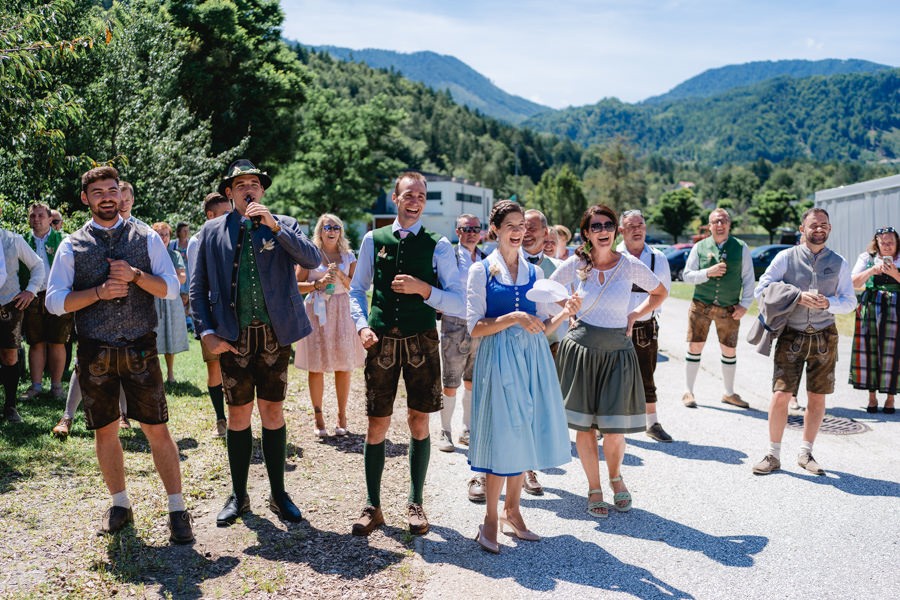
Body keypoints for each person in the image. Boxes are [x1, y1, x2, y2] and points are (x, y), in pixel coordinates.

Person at [45, 165, 194, 543]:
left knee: (157, 429)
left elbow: (171, 290)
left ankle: (177, 509)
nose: (107, 198)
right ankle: (120, 503)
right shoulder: (71, 245)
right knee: (105, 431)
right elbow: (53, 301)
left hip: (140, 348)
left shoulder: (145, 237)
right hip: (95, 351)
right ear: (86, 199)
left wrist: (136, 277)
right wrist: (97, 293)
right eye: (98, 193)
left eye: (112, 190)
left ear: (120, 193)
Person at [191, 159, 322, 527]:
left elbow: (313, 258)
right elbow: (197, 288)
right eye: (240, 184)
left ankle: (279, 494)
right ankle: (239, 494)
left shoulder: (284, 225)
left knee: (273, 413)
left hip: (274, 335)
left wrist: (276, 227)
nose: (248, 188)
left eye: (254, 183)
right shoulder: (212, 231)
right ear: (229, 192)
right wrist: (206, 332)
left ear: (262, 191)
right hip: (233, 338)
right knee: (237, 415)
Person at [348, 171, 465, 537]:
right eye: (408, 194)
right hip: (380, 341)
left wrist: (423, 289)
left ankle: (416, 502)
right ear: (396, 198)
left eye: (421, 196)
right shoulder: (373, 239)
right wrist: (362, 325)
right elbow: (357, 289)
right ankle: (373, 505)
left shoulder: (439, 244)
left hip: (422, 342)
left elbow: (459, 300)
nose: (415, 201)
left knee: (418, 420)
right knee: (376, 421)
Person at [466, 200, 575, 553]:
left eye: (522, 226)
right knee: (503, 436)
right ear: (495, 228)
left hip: (532, 358)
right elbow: (475, 328)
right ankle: (490, 521)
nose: (518, 231)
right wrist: (512, 317)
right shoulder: (481, 271)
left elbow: (542, 327)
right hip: (498, 358)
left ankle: (514, 511)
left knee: (524, 431)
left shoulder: (535, 273)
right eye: (510, 225)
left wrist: (565, 314)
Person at [551, 205, 667, 517]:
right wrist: (569, 309)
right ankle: (594, 487)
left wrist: (634, 314)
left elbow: (660, 292)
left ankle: (616, 478)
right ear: (586, 232)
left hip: (618, 351)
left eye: (608, 225)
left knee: (614, 428)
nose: (603, 231)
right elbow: (547, 288)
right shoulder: (577, 264)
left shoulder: (629, 265)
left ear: (615, 230)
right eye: (596, 226)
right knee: (585, 427)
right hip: (581, 350)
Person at [751, 208, 856, 476]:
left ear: (829, 229)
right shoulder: (785, 257)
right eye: (813, 225)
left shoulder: (840, 262)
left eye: (824, 225)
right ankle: (773, 455)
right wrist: (795, 296)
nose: (819, 229)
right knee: (780, 395)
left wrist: (829, 303)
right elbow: (760, 290)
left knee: (817, 397)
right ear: (802, 229)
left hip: (825, 336)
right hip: (791, 334)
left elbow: (850, 301)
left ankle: (805, 453)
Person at [293, 213, 365, 437]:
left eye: (336, 227)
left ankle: (342, 415)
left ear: (340, 231)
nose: (332, 230)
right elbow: (295, 286)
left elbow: (357, 287)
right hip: (316, 311)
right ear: (320, 231)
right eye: (327, 227)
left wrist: (341, 275)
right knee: (317, 365)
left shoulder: (349, 256)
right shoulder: (310, 255)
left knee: (343, 365)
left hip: (342, 311)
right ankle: (318, 416)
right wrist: (318, 283)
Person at [681, 208, 754, 409]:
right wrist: (708, 272)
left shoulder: (741, 247)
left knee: (729, 349)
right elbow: (687, 275)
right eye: (715, 222)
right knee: (695, 346)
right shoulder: (699, 247)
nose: (719, 225)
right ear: (710, 225)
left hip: (729, 307)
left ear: (729, 224)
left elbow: (748, 279)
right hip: (701, 305)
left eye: (723, 221)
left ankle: (729, 393)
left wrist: (745, 304)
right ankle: (688, 391)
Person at [437, 214, 487, 501]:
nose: (470, 233)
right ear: (457, 231)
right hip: (454, 322)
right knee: (450, 380)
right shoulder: (448, 256)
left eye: (474, 229)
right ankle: (445, 430)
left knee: (472, 380)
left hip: (479, 323)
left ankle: (466, 429)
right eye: (465, 229)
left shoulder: (486, 258)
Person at [616, 209, 673, 442]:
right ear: (621, 231)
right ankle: (603, 423)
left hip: (644, 326)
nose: (637, 229)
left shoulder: (657, 257)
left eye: (640, 224)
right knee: (609, 376)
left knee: (646, 377)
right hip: (614, 326)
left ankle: (652, 423)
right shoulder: (612, 254)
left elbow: (663, 291)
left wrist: (637, 314)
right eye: (631, 226)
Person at [517, 208, 561, 495]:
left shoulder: (559, 268)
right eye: (523, 227)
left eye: (533, 228)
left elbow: (564, 311)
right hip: (511, 345)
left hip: (549, 346)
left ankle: (529, 467)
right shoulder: (508, 262)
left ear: (546, 234)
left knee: (536, 410)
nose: (527, 232)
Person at [187, 192, 231, 437]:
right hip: (212, 312)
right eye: (225, 213)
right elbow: (197, 283)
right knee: (214, 368)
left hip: (233, 312)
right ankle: (220, 417)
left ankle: (237, 416)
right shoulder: (197, 241)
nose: (230, 217)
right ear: (210, 216)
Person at [21, 202, 73, 400]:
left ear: (50, 219)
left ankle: (57, 387)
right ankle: (36, 386)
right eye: (33, 216)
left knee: (57, 342)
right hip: (32, 296)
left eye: (41, 215)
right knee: (36, 342)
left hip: (58, 295)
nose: (36, 219)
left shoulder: (63, 239)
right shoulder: (23, 240)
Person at [849, 226, 900, 414]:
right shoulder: (867, 258)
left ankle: (890, 398)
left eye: (891, 242)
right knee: (869, 350)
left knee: (893, 352)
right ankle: (872, 398)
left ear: (897, 242)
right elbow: (853, 282)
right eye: (883, 242)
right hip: (870, 307)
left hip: (896, 308)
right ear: (876, 242)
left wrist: (894, 274)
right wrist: (872, 271)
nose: (887, 246)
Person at [0, 210, 43, 423]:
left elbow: (38, 265)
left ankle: (10, 406)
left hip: (9, 303)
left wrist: (31, 290)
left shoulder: (13, 239)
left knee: (9, 354)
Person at [151, 222, 189, 383]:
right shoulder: (149, 253)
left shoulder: (174, 255)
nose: (164, 237)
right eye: (160, 234)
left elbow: (182, 277)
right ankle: (154, 374)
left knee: (169, 336)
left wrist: (162, 277)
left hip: (171, 299)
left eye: (166, 234)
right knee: (153, 336)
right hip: (152, 299)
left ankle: (170, 374)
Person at [172, 222, 192, 333]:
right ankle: (178, 322)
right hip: (177, 275)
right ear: (179, 232)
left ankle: (188, 322)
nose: (186, 232)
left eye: (187, 230)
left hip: (188, 275)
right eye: (184, 230)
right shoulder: (173, 244)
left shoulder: (191, 244)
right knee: (177, 297)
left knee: (187, 299)